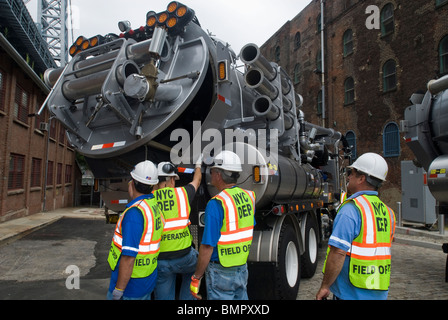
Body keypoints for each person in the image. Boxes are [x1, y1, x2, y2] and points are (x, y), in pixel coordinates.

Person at [316, 153, 396, 300]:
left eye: (351, 173)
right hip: (378, 291)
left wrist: (325, 286)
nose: (348, 177)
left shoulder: (351, 209)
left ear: (361, 178)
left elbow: (338, 252)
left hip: (351, 292)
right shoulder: (388, 212)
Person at [190, 151, 256, 300]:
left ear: (219, 175)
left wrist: (197, 276)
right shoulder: (249, 197)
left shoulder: (216, 203)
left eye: (212, 171)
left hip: (221, 271)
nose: (211, 174)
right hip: (241, 267)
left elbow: (207, 247)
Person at [107, 160, 164, 300]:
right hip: (146, 280)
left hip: (130, 287)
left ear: (131, 183)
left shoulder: (135, 213)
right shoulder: (152, 205)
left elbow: (128, 257)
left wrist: (119, 290)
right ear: (153, 186)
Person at [153, 161, 202, 300]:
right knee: (196, 268)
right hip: (185, 258)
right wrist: (198, 165)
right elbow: (197, 180)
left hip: (160, 259)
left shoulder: (149, 198)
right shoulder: (183, 193)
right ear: (172, 179)